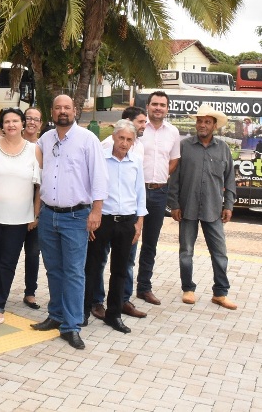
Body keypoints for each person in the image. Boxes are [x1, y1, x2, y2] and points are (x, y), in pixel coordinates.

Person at [31, 94, 107, 350]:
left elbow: (99, 177)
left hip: (76, 216)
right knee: (53, 269)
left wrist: (96, 212)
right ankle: (56, 315)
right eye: (57, 108)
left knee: (74, 272)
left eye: (67, 107)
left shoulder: (88, 140)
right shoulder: (45, 139)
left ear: (75, 110)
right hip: (49, 215)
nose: (62, 111)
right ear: (51, 112)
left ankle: (71, 325)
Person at [167, 103, 239, 310]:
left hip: (213, 209)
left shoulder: (223, 149)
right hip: (187, 208)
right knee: (186, 251)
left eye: (207, 122)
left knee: (220, 253)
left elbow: (230, 179)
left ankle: (220, 293)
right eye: (200, 121)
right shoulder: (185, 146)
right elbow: (175, 178)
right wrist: (174, 204)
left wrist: (229, 205)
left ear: (214, 126)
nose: (202, 125)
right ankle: (188, 288)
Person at [0, 107, 41, 324]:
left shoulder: (34, 150)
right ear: (2, 125)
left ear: (23, 124)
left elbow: (39, 186)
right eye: (7, 121)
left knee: (8, 262)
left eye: (15, 120)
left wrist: (35, 214)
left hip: (19, 218)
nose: (11, 124)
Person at [84, 120, 145, 335]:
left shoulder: (136, 161)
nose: (124, 143)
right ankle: (83, 312)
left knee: (120, 271)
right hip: (103, 220)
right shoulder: (100, 158)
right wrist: (91, 217)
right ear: (114, 137)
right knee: (92, 266)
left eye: (129, 139)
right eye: (121, 138)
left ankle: (114, 315)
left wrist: (139, 224)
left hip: (127, 222)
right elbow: (90, 188)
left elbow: (140, 194)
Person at [136, 91, 182, 306]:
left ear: (167, 108)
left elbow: (173, 161)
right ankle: (124, 289)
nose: (158, 108)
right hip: (135, 191)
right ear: (148, 106)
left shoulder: (173, 132)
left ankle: (144, 287)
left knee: (150, 243)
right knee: (129, 241)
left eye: (162, 105)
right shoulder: (137, 129)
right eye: (154, 104)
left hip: (158, 193)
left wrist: (160, 177)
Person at [20, 107, 44, 310]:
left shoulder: (43, 148)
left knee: (33, 253)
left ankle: (30, 292)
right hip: (11, 209)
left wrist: (35, 214)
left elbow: (40, 185)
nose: (32, 122)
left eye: (36, 119)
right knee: (6, 253)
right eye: (28, 118)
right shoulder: (10, 142)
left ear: (41, 124)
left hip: (34, 209)